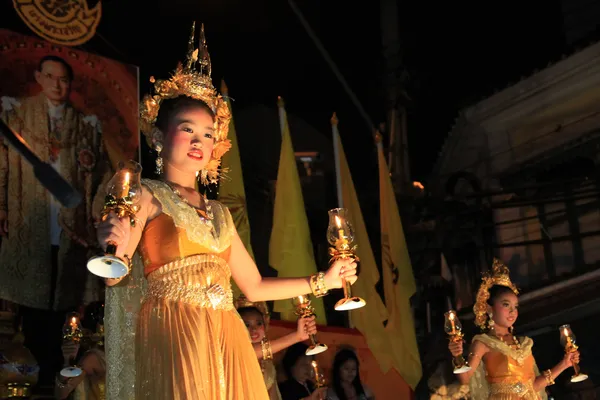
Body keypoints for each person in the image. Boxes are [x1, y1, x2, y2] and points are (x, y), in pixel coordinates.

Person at [99, 23, 357, 400]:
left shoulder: (219, 213)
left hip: (226, 337)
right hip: (175, 333)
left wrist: (325, 281)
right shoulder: (145, 195)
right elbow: (113, 276)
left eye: (207, 133)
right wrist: (113, 245)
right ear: (158, 137)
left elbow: (253, 286)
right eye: (187, 129)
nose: (198, 141)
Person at [0, 54, 107, 386]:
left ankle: (58, 379)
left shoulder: (86, 125)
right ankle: (31, 377)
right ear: (39, 77)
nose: (57, 85)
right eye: (50, 77)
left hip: (71, 225)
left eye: (63, 79)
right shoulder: (16, 114)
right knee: (32, 304)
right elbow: (3, 163)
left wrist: (98, 214)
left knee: (65, 306)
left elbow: (101, 174)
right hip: (28, 216)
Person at [448, 258, 581, 399]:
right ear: (489, 308)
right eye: (506, 305)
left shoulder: (524, 344)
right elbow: (465, 379)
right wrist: (457, 356)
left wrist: (565, 363)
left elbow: (534, 385)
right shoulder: (483, 343)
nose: (513, 311)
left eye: (515, 307)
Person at [235, 294, 318, 400]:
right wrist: (296, 336)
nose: (254, 329)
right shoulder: (232, 353)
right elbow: (249, 354)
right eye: (246, 325)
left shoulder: (268, 364)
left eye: (259, 323)